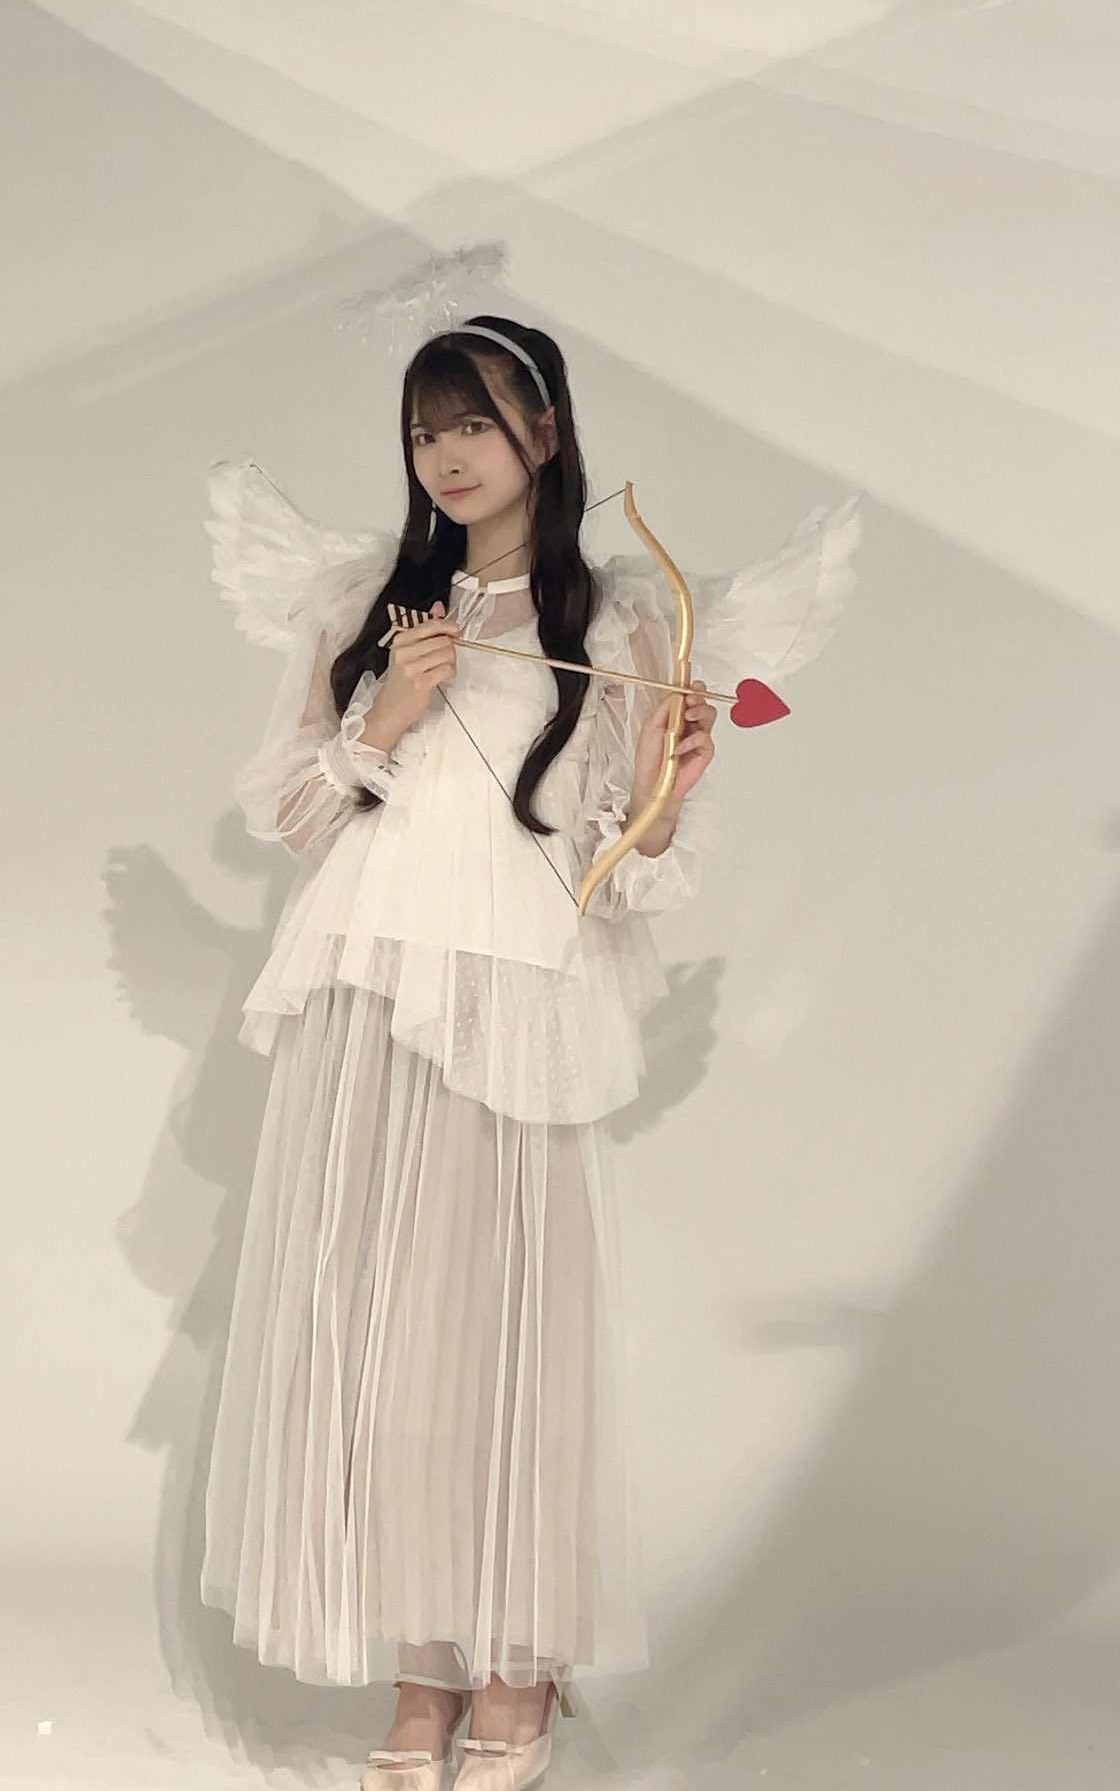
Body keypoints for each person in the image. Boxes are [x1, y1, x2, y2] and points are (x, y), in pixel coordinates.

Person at [199, 317, 862, 1791]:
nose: (447, 454)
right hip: (372, 991)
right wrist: (391, 707)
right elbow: (294, 816)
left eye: (477, 423)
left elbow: (620, 865)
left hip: (515, 1000)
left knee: (503, 1341)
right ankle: (421, 1677)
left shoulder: (615, 624)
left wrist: (669, 798)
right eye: (426, 429)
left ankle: (517, 1670)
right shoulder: (366, 604)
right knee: (378, 1339)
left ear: (546, 434)